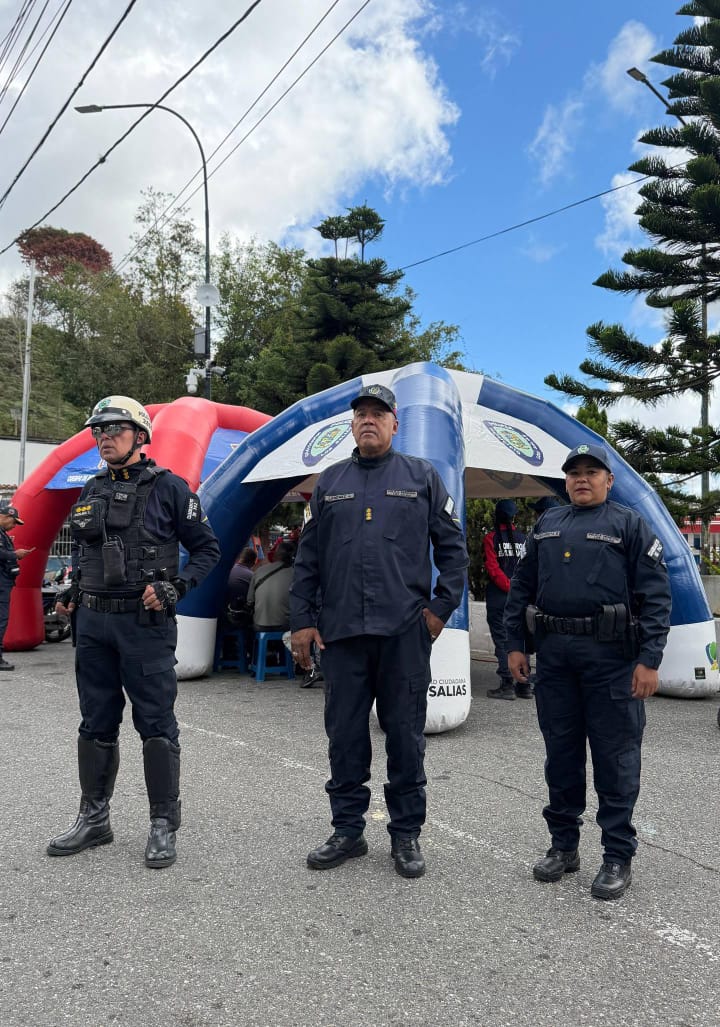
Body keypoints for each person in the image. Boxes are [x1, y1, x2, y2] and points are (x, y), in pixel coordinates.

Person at [290, 383, 468, 879]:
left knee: (405, 737)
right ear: (352, 424)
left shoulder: (422, 477)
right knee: (344, 736)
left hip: (403, 634)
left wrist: (438, 611)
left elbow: (453, 552)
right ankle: (348, 831)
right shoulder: (329, 482)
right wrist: (302, 621)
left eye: (379, 413)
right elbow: (307, 559)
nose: (368, 420)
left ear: (395, 424)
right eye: (361, 414)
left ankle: (406, 835)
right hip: (343, 634)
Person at [48, 396, 220, 869]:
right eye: (98, 432)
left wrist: (175, 587)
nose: (104, 438)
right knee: (95, 723)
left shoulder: (171, 489)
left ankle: (163, 823)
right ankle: (95, 818)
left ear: (140, 435)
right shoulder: (90, 489)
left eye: (115, 430)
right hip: (94, 625)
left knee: (156, 726)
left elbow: (208, 549)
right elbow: (87, 553)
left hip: (144, 627)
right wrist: (72, 592)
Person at [504, 443, 671, 901]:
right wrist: (514, 645)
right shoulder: (547, 524)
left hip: (612, 659)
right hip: (556, 657)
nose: (582, 478)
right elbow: (522, 586)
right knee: (561, 754)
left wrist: (649, 660)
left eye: (591, 472)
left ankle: (617, 855)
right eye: (574, 472)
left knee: (615, 760)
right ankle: (564, 846)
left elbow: (656, 597)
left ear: (608, 480)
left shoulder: (629, 524)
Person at [483, 499, 528, 700]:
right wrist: (517, 590)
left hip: (499, 597)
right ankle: (524, 685)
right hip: (520, 597)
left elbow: (493, 569)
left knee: (502, 638)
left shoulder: (491, 538)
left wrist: (508, 588)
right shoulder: (524, 538)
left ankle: (507, 684)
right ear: (513, 517)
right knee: (521, 638)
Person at [0, 501, 34, 671]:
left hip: (4, 582)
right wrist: (15, 554)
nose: (14, 526)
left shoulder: (3, 534)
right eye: (13, 522)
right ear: (5, 516)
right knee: (1, 620)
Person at [248, 539, 296, 632]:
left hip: (259, 624)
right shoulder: (296, 574)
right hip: (285, 625)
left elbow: (250, 599)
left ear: (276, 554)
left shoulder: (259, 571)